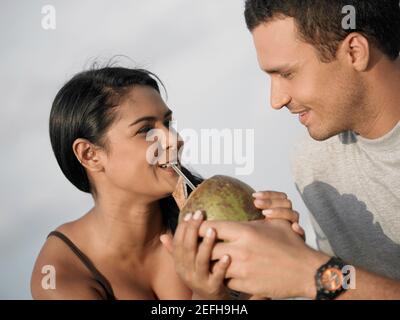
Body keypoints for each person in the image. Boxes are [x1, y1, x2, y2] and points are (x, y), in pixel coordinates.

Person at [161, 0, 400, 299]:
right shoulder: (313, 161)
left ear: (354, 51)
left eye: (287, 74)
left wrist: (310, 271)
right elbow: (343, 285)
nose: (276, 100)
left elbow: (325, 277)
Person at [31, 66, 302, 300]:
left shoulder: (205, 219)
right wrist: (208, 298)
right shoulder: (63, 273)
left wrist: (281, 257)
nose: (174, 140)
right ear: (90, 155)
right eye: (146, 130)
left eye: (168, 123)